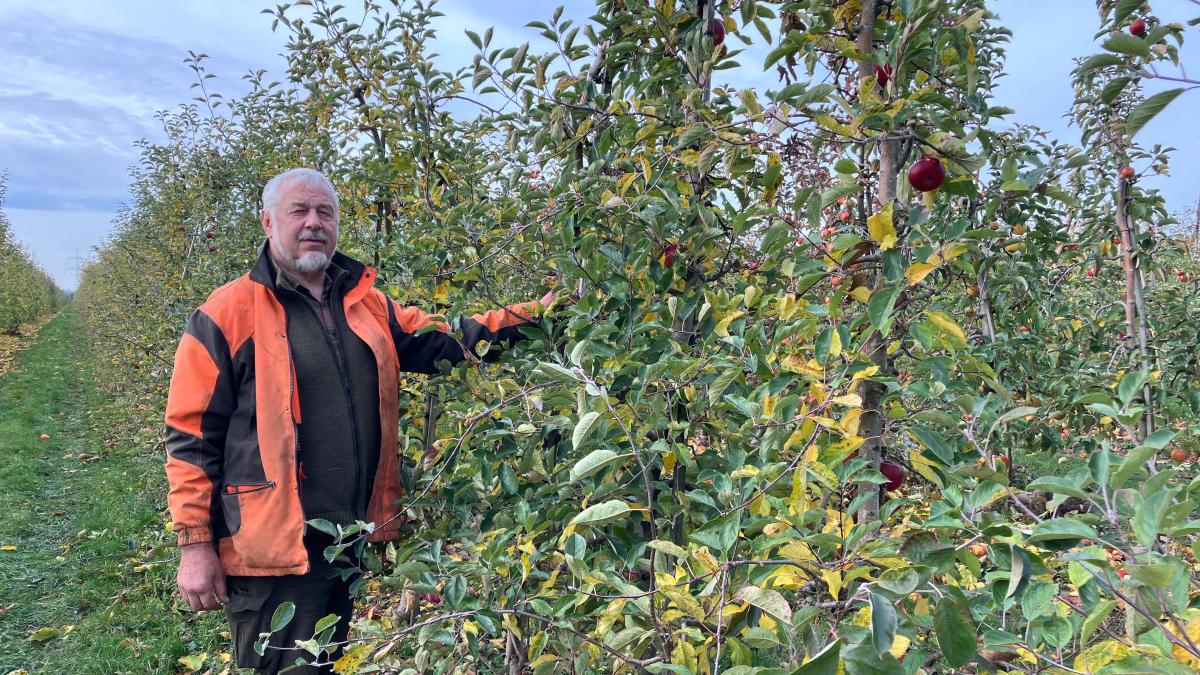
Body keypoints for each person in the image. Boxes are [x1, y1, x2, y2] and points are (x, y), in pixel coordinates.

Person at [164, 167, 552, 673]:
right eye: (298, 211)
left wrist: (539, 316)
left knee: (329, 662)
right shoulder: (227, 313)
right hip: (273, 546)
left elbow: (449, 336)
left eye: (325, 212)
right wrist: (194, 545)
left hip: (347, 540)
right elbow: (190, 436)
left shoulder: (366, 304)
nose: (313, 223)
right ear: (266, 222)